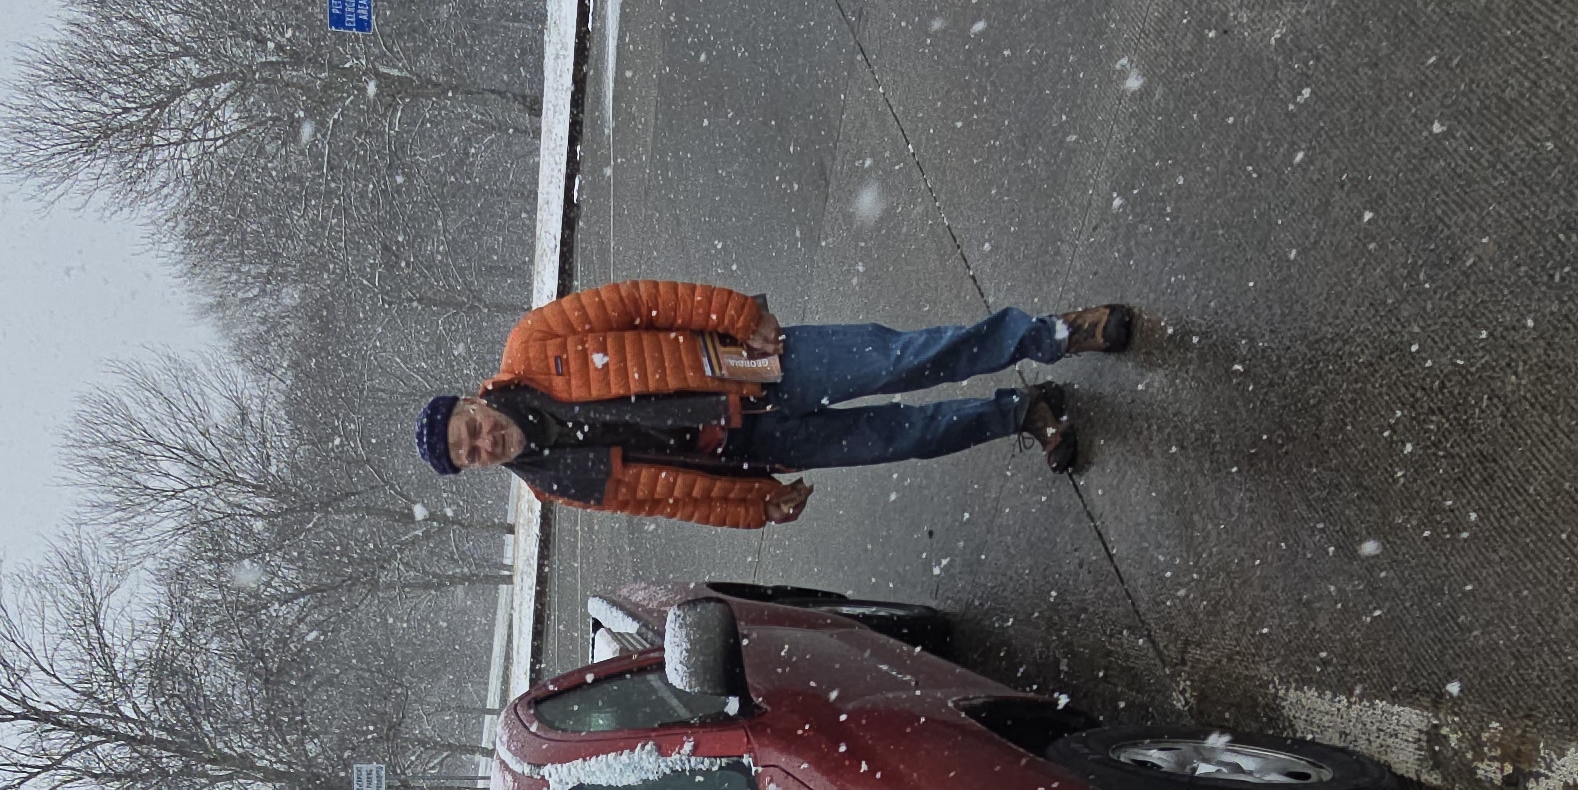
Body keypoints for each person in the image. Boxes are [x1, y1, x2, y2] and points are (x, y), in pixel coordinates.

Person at [414, 284, 1139, 530]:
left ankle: (1054, 334)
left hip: (751, 370)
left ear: (473, 400)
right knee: (901, 436)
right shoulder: (553, 484)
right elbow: (669, 498)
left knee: (902, 358)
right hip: (752, 450)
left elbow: (639, 301)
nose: (484, 443)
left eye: (469, 430)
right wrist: (754, 507)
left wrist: (732, 312)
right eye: (471, 455)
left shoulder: (534, 344)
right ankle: (1021, 413)